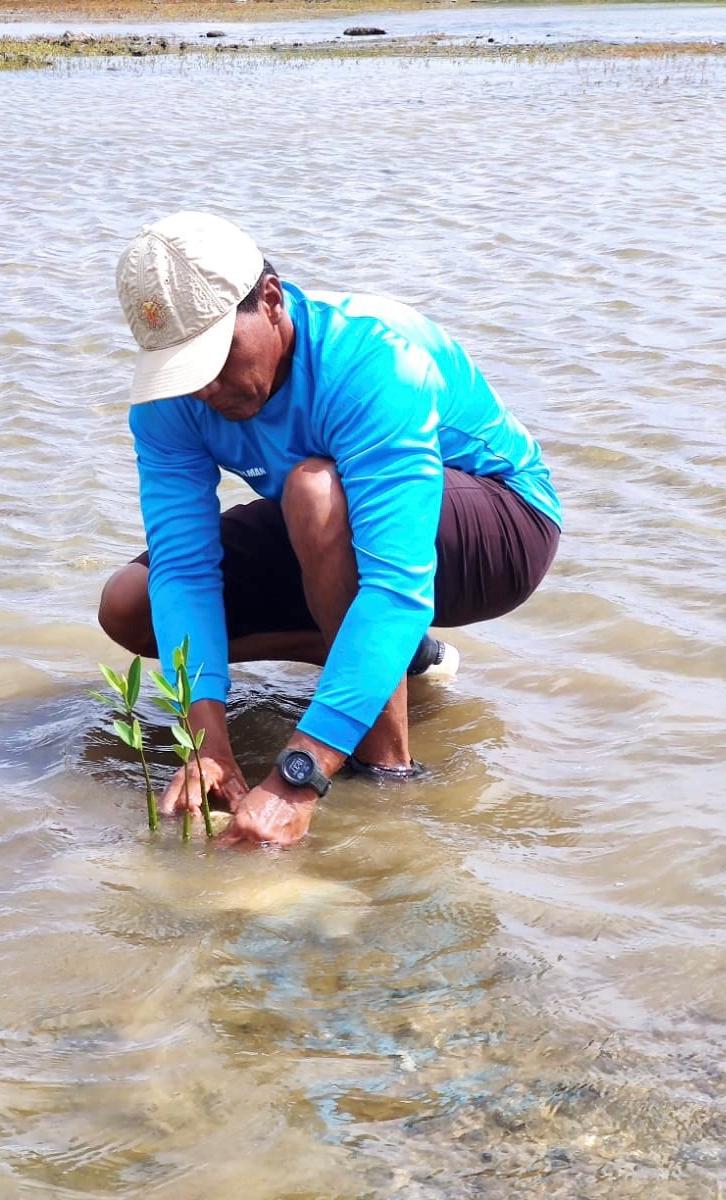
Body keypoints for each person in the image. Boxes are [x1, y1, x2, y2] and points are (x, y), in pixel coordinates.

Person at [98, 212, 561, 847]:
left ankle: (391, 778)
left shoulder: (373, 357)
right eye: (183, 369)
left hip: (502, 527)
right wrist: (204, 741)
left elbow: (396, 587)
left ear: (271, 300)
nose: (205, 388)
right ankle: (390, 659)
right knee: (130, 603)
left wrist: (298, 776)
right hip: (333, 514)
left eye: (217, 356)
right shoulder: (170, 403)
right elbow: (183, 567)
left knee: (314, 490)